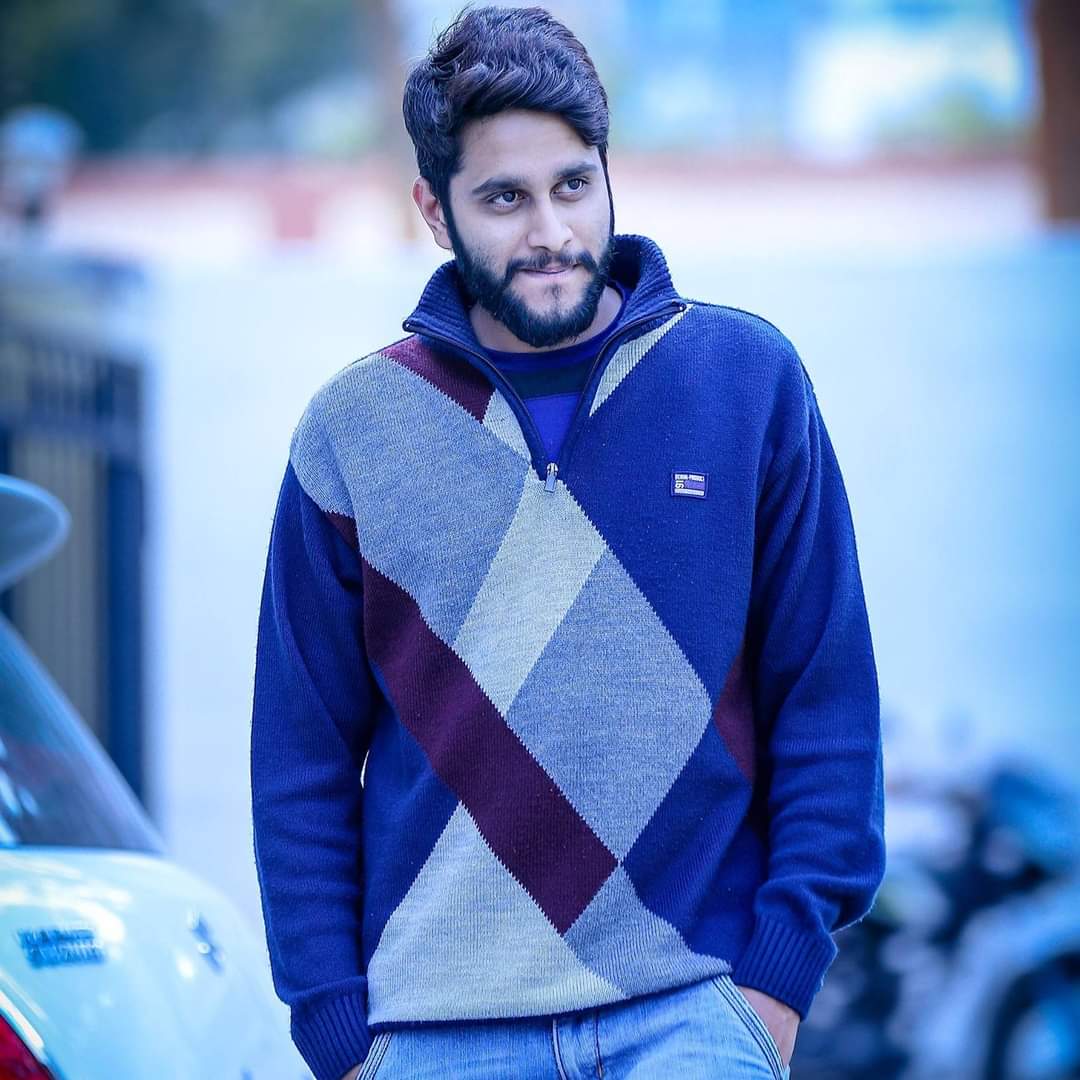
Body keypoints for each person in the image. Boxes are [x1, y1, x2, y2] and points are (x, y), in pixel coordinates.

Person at [249, 7, 886, 1080]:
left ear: (606, 175)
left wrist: (777, 984)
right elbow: (299, 755)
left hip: (693, 1013)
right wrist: (336, 1033)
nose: (550, 230)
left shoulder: (745, 383)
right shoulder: (353, 431)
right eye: (504, 197)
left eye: (573, 185)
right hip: (434, 1032)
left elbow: (825, 692)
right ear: (435, 210)